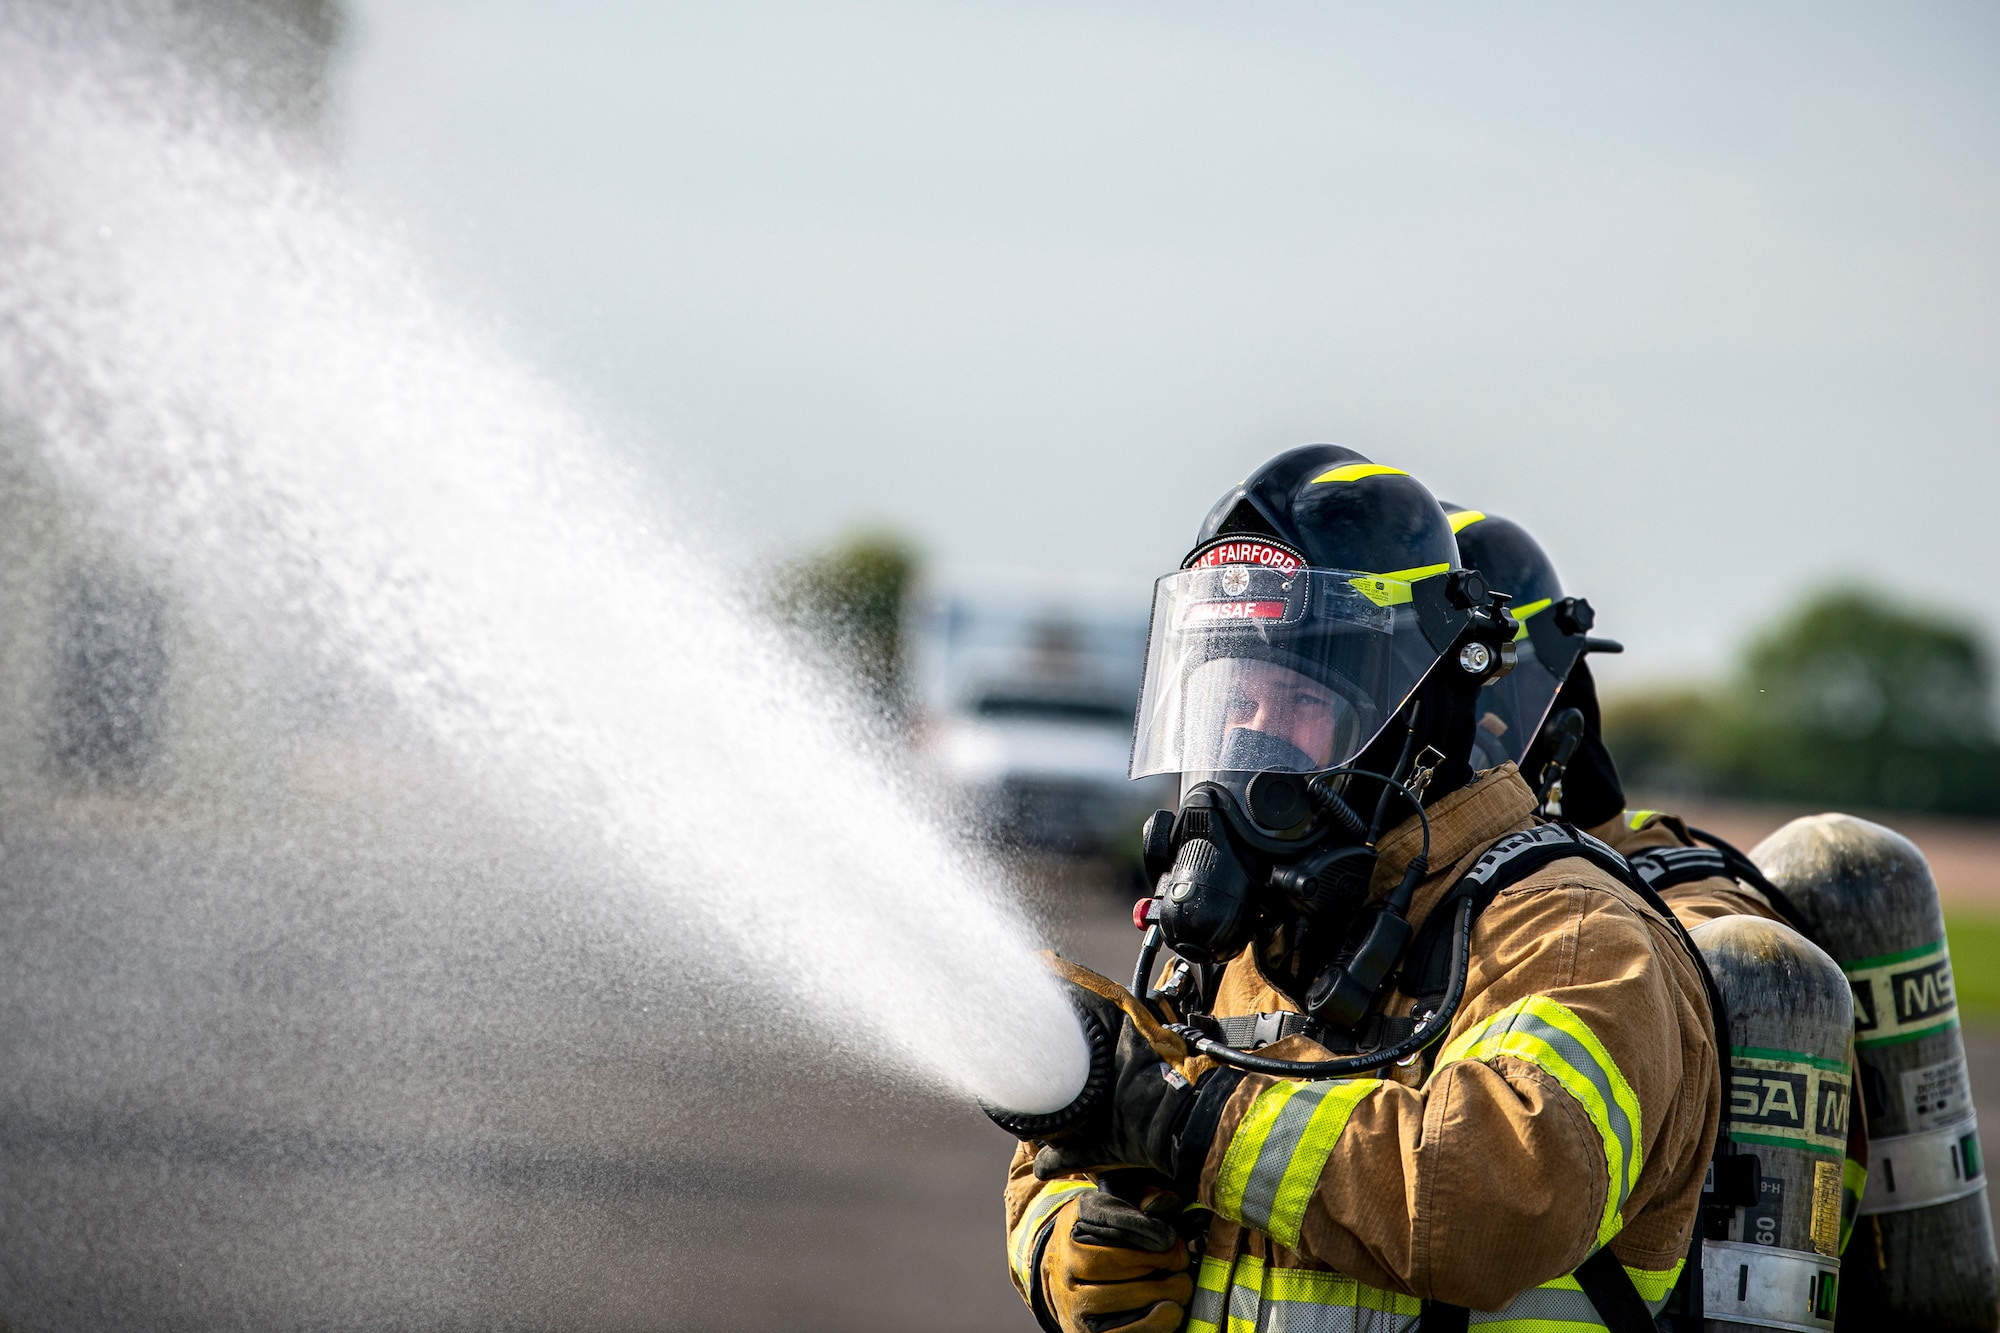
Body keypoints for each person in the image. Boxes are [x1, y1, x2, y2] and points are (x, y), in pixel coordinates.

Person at [999, 445, 1719, 1333]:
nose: (1249, 732)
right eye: (1232, 695)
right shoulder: (1244, 932)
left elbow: (1500, 1202)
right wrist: (1062, 1241)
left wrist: (1182, 1115)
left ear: (1413, 715)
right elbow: (1081, 1143)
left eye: (1296, 695)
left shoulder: (1567, 931)